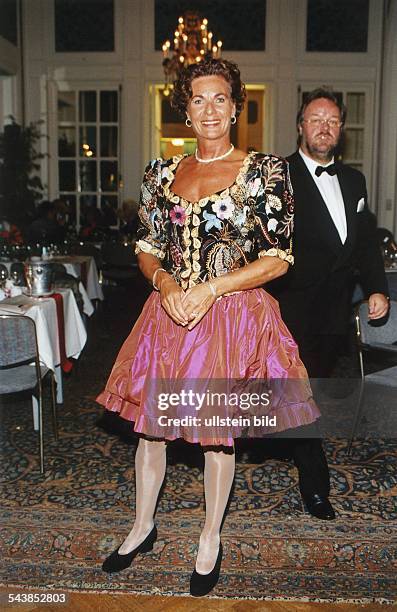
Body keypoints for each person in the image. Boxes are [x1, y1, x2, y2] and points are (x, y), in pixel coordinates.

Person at [96, 58, 320, 597]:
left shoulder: (266, 172)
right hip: (168, 316)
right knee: (151, 428)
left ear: (237, 107)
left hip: (231, 320)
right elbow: (147, 249)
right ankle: (142, 525)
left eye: (220, 98)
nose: (210, 109)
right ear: (185, 111)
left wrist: (212, 288)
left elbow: (280, 258)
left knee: (216, 437)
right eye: (199, 99)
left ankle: (209, 536)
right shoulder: (160, 174)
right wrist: (167, 286)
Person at [268, 87, 389, 520]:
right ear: (300, 125)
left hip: (334, 313)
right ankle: (315, 486)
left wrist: (377, 287)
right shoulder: (276, 175)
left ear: (341, 130)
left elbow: (366, 243)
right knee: (302, 394)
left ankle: (277, 442)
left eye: (333, 121)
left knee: (303, 394)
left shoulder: (354, 181)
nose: (325, 127)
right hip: (288, 309)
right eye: (316, 118)